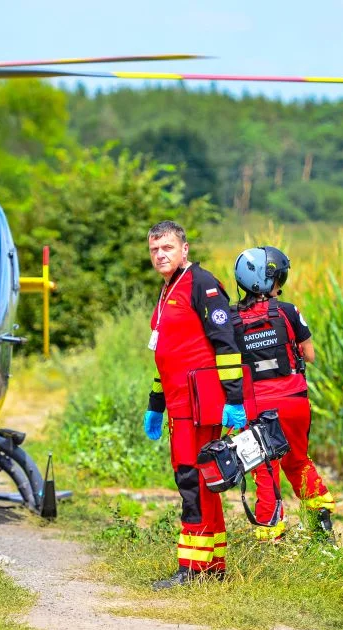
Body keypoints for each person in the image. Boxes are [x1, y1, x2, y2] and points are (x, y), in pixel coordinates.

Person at [143, 220, 247, 590]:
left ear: (184, 249)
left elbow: (227, 345)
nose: (160, 255)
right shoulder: (167, 288)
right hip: (177, 402)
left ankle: (193, 568)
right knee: (202, 477)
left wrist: (234, 399)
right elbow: (165, 355)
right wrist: (156, 403)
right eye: (155, 249)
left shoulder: (202, 284)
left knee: (193, 476)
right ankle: (213, 563)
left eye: (167, 247)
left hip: (200, 400)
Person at [232, 246, 336, 541]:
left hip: (256, 407)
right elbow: (310, 355)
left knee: (266, 470)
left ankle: (271, 540)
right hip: (294, 402)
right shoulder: (288, 311)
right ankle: (322, 532)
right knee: (299, 461)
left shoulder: (231, 319)